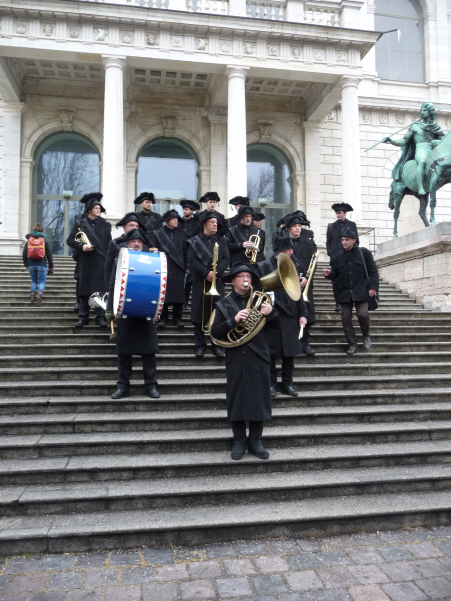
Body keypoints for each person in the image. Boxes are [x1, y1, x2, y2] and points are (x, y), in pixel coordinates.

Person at [211, 264, 279, 460]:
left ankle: (256, 441)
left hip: (259, 356)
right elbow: (214, 333)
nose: (245, 279)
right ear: (233, 281)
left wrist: (271, 312)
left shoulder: (261, 301)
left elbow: (277, 326)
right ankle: (239, 441)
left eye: (248, 276)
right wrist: (233, 321)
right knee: (237, 400)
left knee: (259, 401)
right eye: (241, 276)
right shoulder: (223, 304)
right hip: (236, 357)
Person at [105, 229, 160, 399]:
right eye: (133, 241)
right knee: (124, 353)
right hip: (124, 312)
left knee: (149, 353)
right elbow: (113, 286)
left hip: (145, 312)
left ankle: (151, 386)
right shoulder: (119, 261)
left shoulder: (152, 262)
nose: (136, 244)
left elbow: (159, 284)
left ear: (143, 244)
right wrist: (109, 309)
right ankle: (123, 386)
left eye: (139, 242)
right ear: (127, 244)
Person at [257, 234, 308, 397]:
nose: (292, 252)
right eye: (289, 249)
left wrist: (303, 314)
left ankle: (287, 383)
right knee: (271, 353)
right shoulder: (264, 266)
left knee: (289, 354)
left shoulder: (292, 265)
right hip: (271, 315)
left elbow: (297, 293)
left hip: (290, 315)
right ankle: (271, 384)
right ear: (281, 251)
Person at [323, 226, 379, 355]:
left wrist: (373, 287)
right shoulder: (338, 257)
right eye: (343, 240)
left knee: (362, 314)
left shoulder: (364, 253)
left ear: (354, 240)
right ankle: (352, 344)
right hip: (345, 292)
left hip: (361, 290)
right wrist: (329, 274)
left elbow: (373, 271)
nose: (344, 242)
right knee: (346, 317)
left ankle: (366, 335)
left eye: (347, 240)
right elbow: (335, 273)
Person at [188, 210, 229, 358]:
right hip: (201, 281)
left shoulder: (223, 241)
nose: (215, 224)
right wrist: (206, 273)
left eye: (216, 223)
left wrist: (216, 272)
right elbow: (192, 260)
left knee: (217, 314)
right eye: (212, 222)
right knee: (199, 314)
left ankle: (216, 345)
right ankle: (200, 345)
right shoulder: (194, 241)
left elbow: (226, 259)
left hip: (217, 281)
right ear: (204, 224)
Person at [67, 192, 112, 327]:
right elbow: (70, 240)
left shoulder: (105, 224)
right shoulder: (80, 223)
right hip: (85, 260)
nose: (99, 210)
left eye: (99, 208)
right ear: (89, 209)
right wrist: (81, 246)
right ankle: (83, 317)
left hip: (100, 261)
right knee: (84, 290)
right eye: (96, 208)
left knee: (99, 290)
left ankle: (100, 317)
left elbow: (109, 243)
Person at [383, 102, 445, 196]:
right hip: (421, 149)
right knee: (423, 161)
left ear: (430, 112)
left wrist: (438, 142)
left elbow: (443, 140)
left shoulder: (435, 127)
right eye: (421, 110)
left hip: (432, 150)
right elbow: (404, 140)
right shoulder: (415, 126)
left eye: (424, 110)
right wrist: (391, 141)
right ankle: (420, 187)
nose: (422, 112)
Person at [149, 209, 188, 328]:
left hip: (178, 268)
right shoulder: (157, 233)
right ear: (167, 221)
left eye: (177, 219)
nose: (176, 221)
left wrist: (187, 267)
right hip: (163, 267)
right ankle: (163, 319)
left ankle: (177, 319)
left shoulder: (182, 233)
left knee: (179, 295)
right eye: (173, 219)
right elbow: (153, 250)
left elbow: (185, 252)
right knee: (163, 294)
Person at [284, 213, 316, 356]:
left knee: (305, 313)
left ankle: (305, 342)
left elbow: (312, 264)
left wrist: (306, 279)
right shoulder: (283, 243)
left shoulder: (308, 244)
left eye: (299, 226)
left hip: (304, 284)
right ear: (289, 228)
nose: (298, 228)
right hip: (289, 283)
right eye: (295, 226)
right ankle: (292, 342)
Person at [326, 202, 359, 312]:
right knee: (335, 281)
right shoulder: (331, 226)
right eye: (336, 213)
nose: (338, 215)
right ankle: (338, 303)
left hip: (349, 257)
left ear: (344, 213)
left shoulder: (352, 225)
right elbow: (328, 242)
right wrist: (331, 253)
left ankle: (351, 301)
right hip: (336, 257)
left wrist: (354, 253)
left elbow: (356, 241)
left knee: (349, 278)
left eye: (339, 213)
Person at [104, 212, 147, 290]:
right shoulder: (114, 243)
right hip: (119, 283)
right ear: (124, 226)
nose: (134, 228)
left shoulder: (143, 244)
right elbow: (108, 267)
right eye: (131, 225)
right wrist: (108, 288)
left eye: (136, 226)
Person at [22, 223, 54, 305]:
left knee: (34, 280)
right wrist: (51, 265)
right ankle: (39, 295)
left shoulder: (29, 240)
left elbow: (24, 253)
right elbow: (49, 254)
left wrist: (26, 264)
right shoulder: (44, 240)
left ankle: (32, 296)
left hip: (31, 264)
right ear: (41, 231)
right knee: (42, 281)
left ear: (34, 230)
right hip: (42, 264)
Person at [180, 200, 202, 305]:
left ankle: (184, 301)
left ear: (192, 211)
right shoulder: (178, 222)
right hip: (179, 254)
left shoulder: (197, 225)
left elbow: (198, 240)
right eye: (183, 209)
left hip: (191, 253)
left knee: (189, 280)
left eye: (186, 209)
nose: (184, 211)